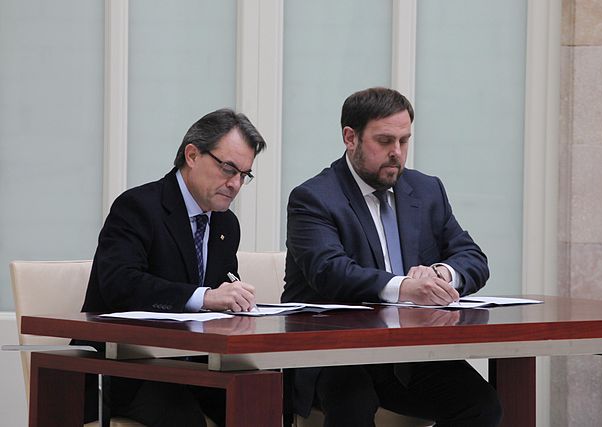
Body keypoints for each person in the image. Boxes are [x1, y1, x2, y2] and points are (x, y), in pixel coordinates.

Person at [283, 87, 502, 426]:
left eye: (404, 141)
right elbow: (330, 271)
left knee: (481, 404)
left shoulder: (427, 190)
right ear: (350, 137)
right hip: (334, 352)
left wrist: (441, 275)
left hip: (407, 353)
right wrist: (405, 288)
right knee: (354, 401)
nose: (396, 153)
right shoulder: (313, 198)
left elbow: (472, 257)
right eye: (384, 141)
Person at [81, 108, 266, 427]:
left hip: (194, 364)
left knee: (260, 399)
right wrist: (204, 297)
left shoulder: (226, 224)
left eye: (244, 175)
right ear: (192, 155)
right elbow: (120, 284)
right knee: (183, 416)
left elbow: (221, 298)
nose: (235, 184)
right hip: (126, 365)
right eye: (228, 168)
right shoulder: (138, 206)